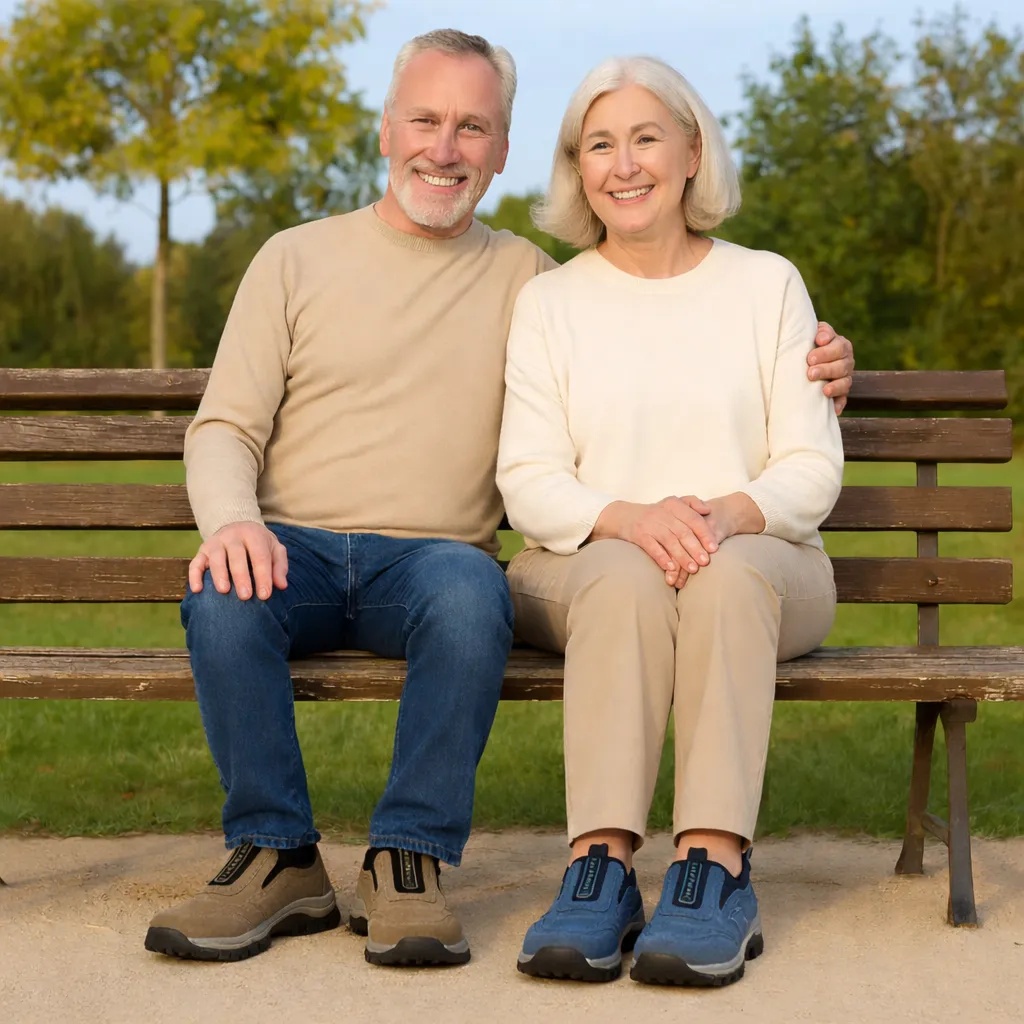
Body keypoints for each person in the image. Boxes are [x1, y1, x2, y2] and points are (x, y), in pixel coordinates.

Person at [145, 31, 855, 968]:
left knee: (474, 594)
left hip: (442, 559)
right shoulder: (313, 261)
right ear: (387, 130)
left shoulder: (537, 276)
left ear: (504, 150)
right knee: (224, 594)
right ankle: (279, 855)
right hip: (298, 546)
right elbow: (226, 427)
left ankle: (420, 859)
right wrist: (235, 523)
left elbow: (677, 337)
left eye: (471, 127)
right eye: (425, 121)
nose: (444, 148)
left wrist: (826, 364)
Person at [496, 56, 844, 988]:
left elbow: (810, 466)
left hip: (760, 566)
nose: (624, 165)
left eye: (646, 138)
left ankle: (713, 870)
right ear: (577, 168)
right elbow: (528, 480)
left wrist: (723, 516)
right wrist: (628, 519)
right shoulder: (550, 302)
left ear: (692, 152)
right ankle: (599, 870)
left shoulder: (767, 285)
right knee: (624, 575)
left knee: (724, 575)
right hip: (589, 567)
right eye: (599, 145)